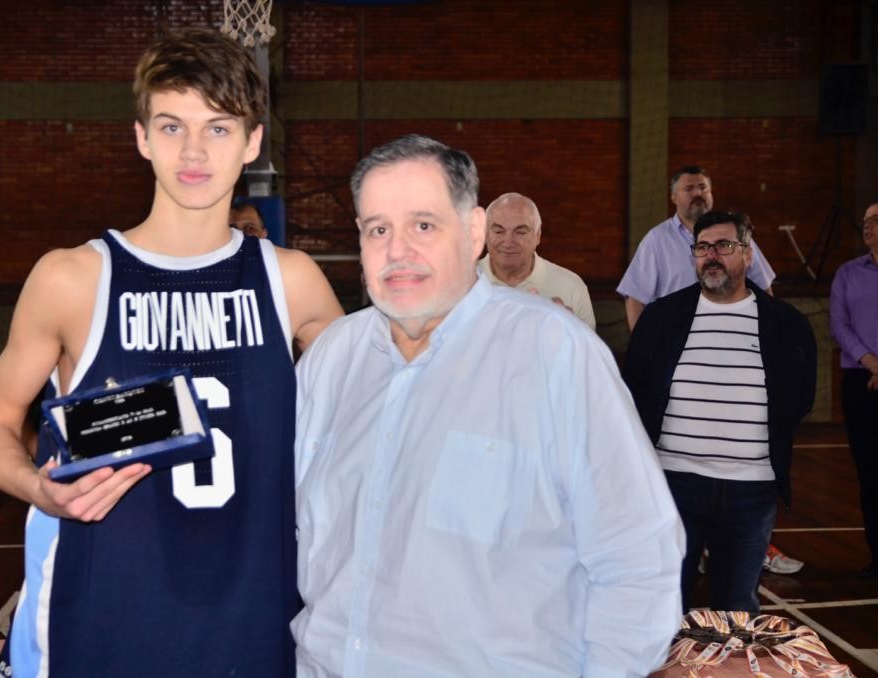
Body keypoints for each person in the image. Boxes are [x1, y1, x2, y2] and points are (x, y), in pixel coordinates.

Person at [0, 28, 342, 677]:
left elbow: (369, 420)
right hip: (103, 616)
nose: (194, 151)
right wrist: (39, 488)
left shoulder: (293, 280)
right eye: (172, 127)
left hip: (252, 621)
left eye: (218, 128)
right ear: (142, 136)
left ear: (253, 141)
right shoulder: (72, 278)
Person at [293, 134, 683, 677]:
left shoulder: (555, 354)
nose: (397, 250)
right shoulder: (332, 359)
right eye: (377, 228)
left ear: (473, 232)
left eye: (423, 225)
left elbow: (638, 557)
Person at [624, 211, 816, 613]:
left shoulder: (787, 325)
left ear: (748, 255)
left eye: (724, 246)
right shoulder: (660, 319)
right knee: (662, 605)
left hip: (751, 490)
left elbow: (799, 399)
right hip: (673, 486)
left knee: (736, 609)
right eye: (702, 248)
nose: (711, 256)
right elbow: (636, 389)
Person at [617, 166, 775, 331]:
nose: (697, 194)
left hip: (734, 333)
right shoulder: (657, 240)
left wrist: (768, 333)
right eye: (688, 189)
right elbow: (635, 297)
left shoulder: (735, 233)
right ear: (673, 197)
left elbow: (763, 288)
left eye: (703, 187)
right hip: (674, 340)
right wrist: (643, 347)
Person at [829, 200, 878, 578]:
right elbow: (839, 325)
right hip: (862, 382)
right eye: (865, 221)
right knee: (870, 473)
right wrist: (871, 362)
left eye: (875, 221)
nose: (867, 227)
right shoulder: (848, 273)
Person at [479, 191, 596, 329]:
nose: (508, 242)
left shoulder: (571, 287)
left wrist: (570, 333)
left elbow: (588, 349)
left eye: (520, 232)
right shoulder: (461, 283)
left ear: (538, 236)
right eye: (499, 231)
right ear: (485, 235)